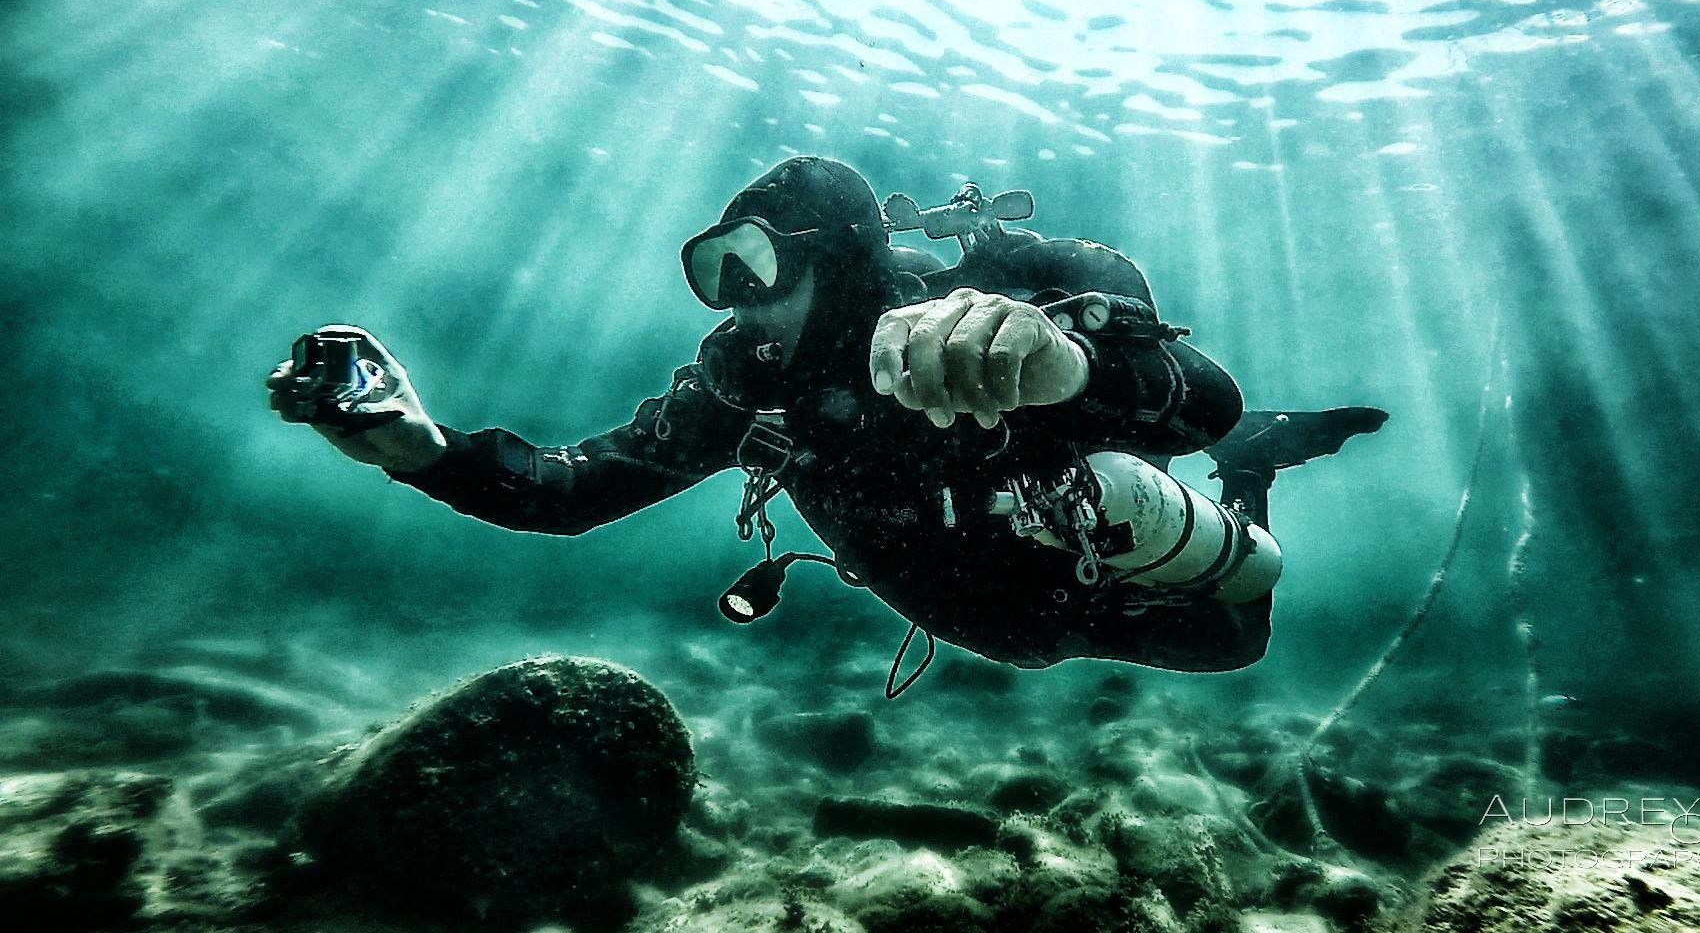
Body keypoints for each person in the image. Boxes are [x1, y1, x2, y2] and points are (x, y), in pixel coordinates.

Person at [267, 156, 1383, 693]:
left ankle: (1254, 479)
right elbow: (573, 491)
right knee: (1215, 645)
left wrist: (1063, 360)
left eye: (751, 267)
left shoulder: (995, 309)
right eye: (713, 272)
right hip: (1010, 623)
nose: (735, 303)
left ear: (837, 259)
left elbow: (1203, 397)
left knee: (1240, 638)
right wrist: (418, 446)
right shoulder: (749, 378)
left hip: (1084, 568)